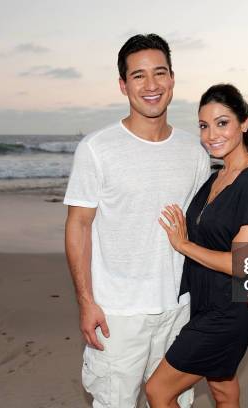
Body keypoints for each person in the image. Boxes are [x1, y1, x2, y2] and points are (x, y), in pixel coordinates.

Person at [63, 34, 212, 407]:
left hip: (179, 309)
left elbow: (204, 228)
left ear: (172, 79)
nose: (151, 86)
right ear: (123, 84)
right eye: (138, 76)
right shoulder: (97, 149)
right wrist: (86, 301)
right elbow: (78, 225)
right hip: (118, 313)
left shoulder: (194, 150)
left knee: (175, 403)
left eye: (159, 73)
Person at [145, 84, 248, 408]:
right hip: (206, 302)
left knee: (158, 392)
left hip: (228, 311)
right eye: (204, 125)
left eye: (222, 122)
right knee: (222, 389)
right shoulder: (216, 177)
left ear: (244, 122)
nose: (211, 134)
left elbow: (240, 263)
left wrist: (183, 244)